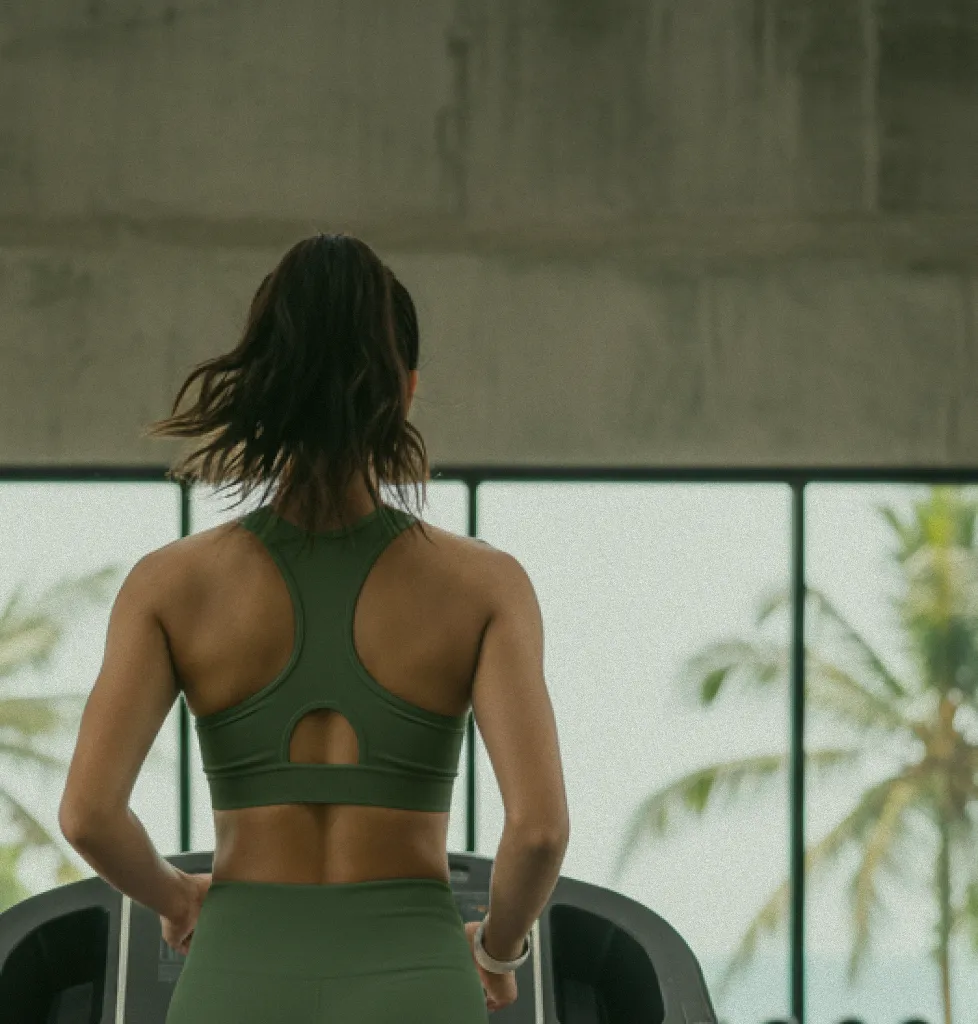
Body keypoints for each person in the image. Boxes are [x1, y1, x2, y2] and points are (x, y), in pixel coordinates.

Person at [143, 233, 571, 1022]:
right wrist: (497, 952)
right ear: (405, 390)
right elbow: (540, 831)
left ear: (264, 384)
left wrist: (175, 898)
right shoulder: (484, 585)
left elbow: (86, 815)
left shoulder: (171, 584)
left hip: (235, 977)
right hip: (417, 983)